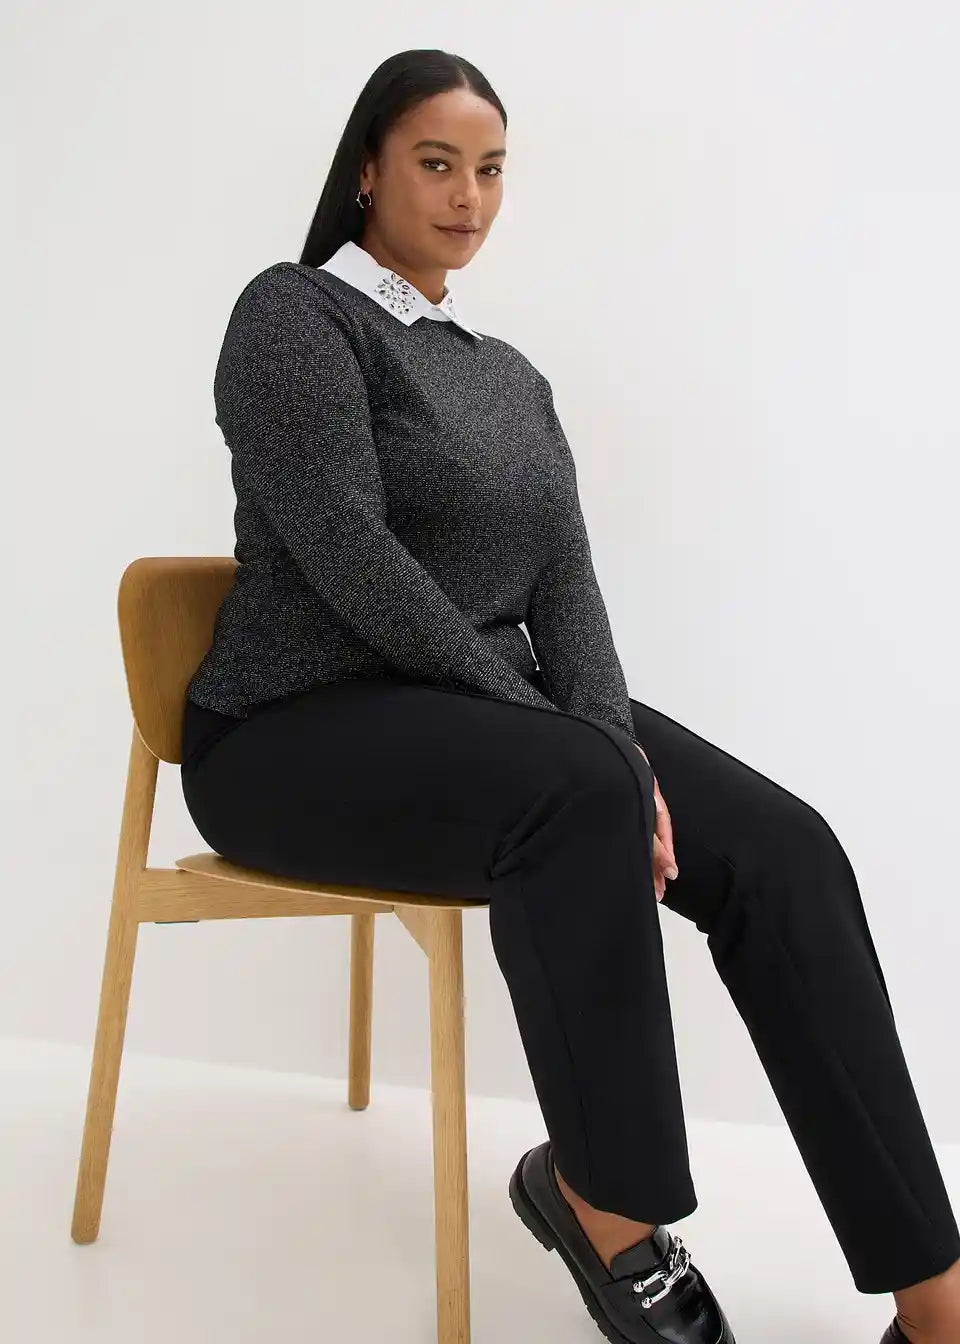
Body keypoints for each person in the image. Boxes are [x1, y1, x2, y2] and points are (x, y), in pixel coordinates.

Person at [179, 47, 960, 1344]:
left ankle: (935, 1295)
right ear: (368, 169)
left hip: (485, 725)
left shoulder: (507, 376)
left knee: (781, 847)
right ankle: (607, 1205)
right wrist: (575, 749)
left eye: (491, 170)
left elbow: (567, 588)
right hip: (285, 732)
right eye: (437, 163)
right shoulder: (293, 316)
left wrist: (613, 747)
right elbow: (354, 564)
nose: (468, 196)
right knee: (583, 785)